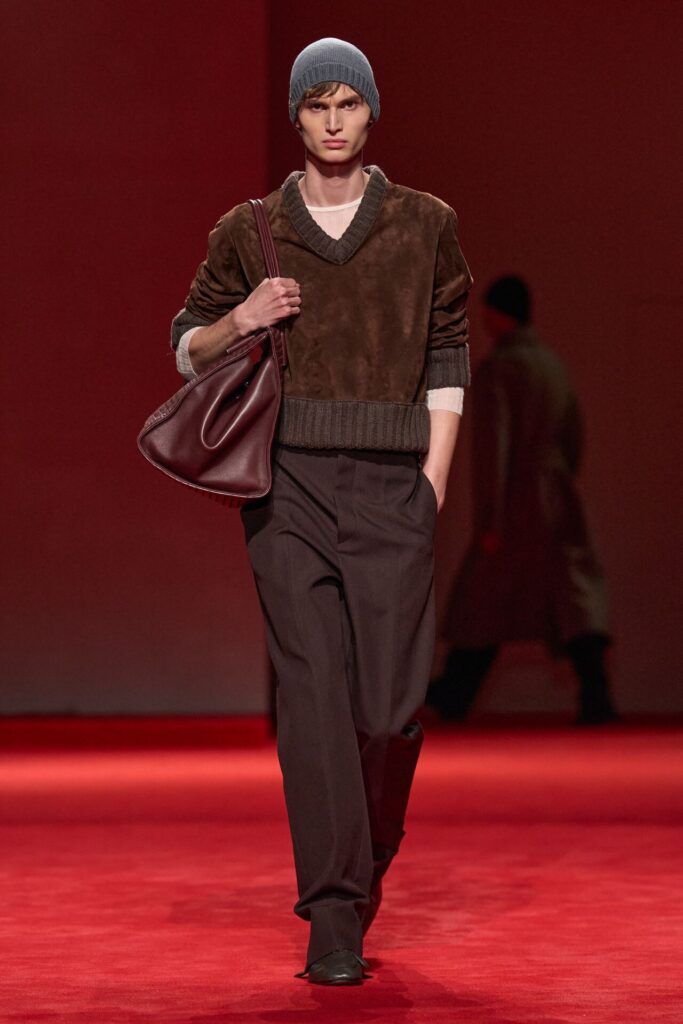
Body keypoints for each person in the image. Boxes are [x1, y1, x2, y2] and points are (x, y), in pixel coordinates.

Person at [169, 38, 473, 985]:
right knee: (311, 700)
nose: (333, 122)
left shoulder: (424, 223)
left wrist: (432, 482)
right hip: (287, 485)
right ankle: (332, 915)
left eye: (347, 103)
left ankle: (368, 851)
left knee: (388, 712)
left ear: (370, 111)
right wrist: (242, 319)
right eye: (316, 105)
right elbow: (184, 343)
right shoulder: (251, 228)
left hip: (393, 487)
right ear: (296, 117)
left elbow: (448, 348)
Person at [427, 276, 619, 726]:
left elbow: (493, 449)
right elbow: (574, 433)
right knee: (571, 598)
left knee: (484, 602)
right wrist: (560, 479)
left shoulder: (500, 368)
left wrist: (490, 520)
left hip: (516, 502)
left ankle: (453, 693)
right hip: (557, 496)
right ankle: (596, 695)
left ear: (497, 313)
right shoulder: (552, 365)